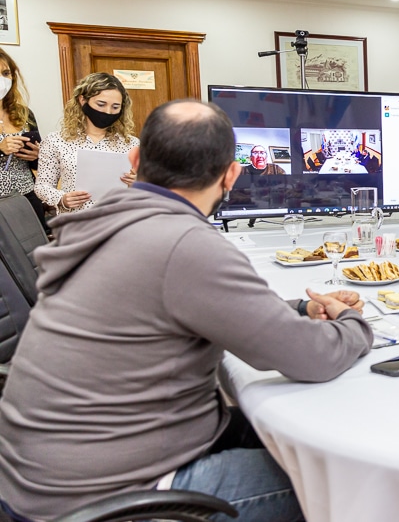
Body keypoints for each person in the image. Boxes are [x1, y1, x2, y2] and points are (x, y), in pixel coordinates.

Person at [0, 99, 374, 521]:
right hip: (103, 497)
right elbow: (310, 358)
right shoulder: (185, 244)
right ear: (231, 174)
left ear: (136, 157)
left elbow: (181, 306)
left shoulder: (104, 221)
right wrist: (354, 323)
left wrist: (302, 307)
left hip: (39, 474)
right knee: (350, 479)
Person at [34, 72, 138, 214]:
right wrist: (62, 198)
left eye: (115, 107)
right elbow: (42, 186)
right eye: (101, 104)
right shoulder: (56, 141)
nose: (108, 112)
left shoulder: (131, 144)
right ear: (83, 100)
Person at [0, 48, 46, 231]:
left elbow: (39, 165)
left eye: (5, 73)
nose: (2, 80)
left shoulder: (24, 113)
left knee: (35, 254)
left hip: (26, 197)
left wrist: (36, 155)